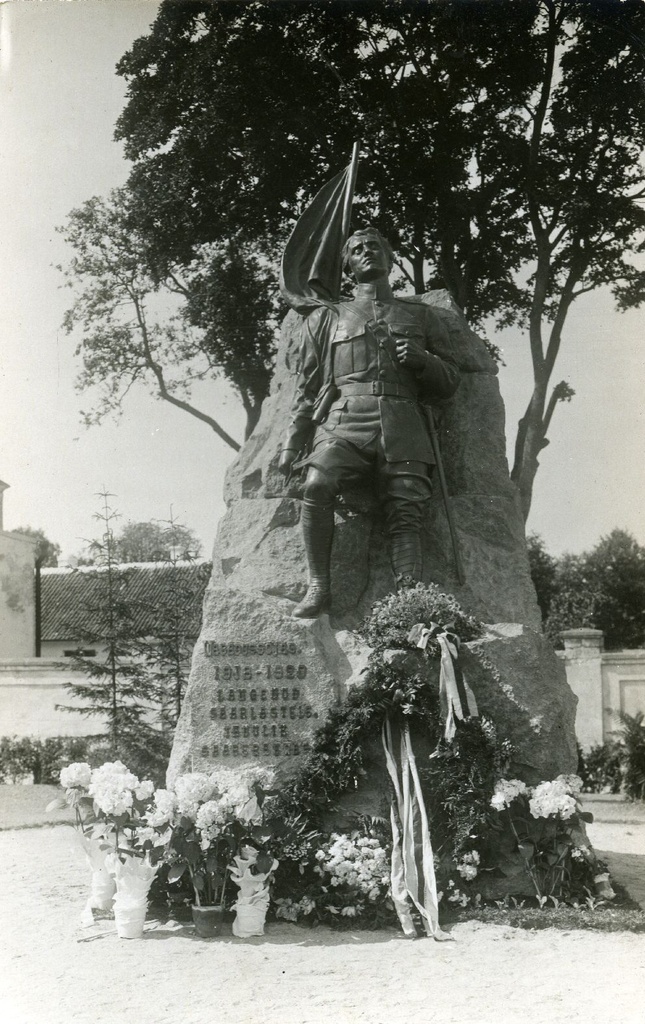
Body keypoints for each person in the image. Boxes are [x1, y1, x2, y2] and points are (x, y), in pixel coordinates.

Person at [278, 227, 460, 617]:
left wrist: (424, 360)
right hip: (344, 421)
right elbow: (308, 388)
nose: (367, 252)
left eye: (375, 247)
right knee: (317, 482)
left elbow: (451, 383)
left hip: (404, 423)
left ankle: (408, 600)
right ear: (346, 265)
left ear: (391, 259)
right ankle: (318, 588)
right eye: (357, 249)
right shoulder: (327, 318)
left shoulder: (422, 315)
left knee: (407, 506)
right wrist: (292, 444)